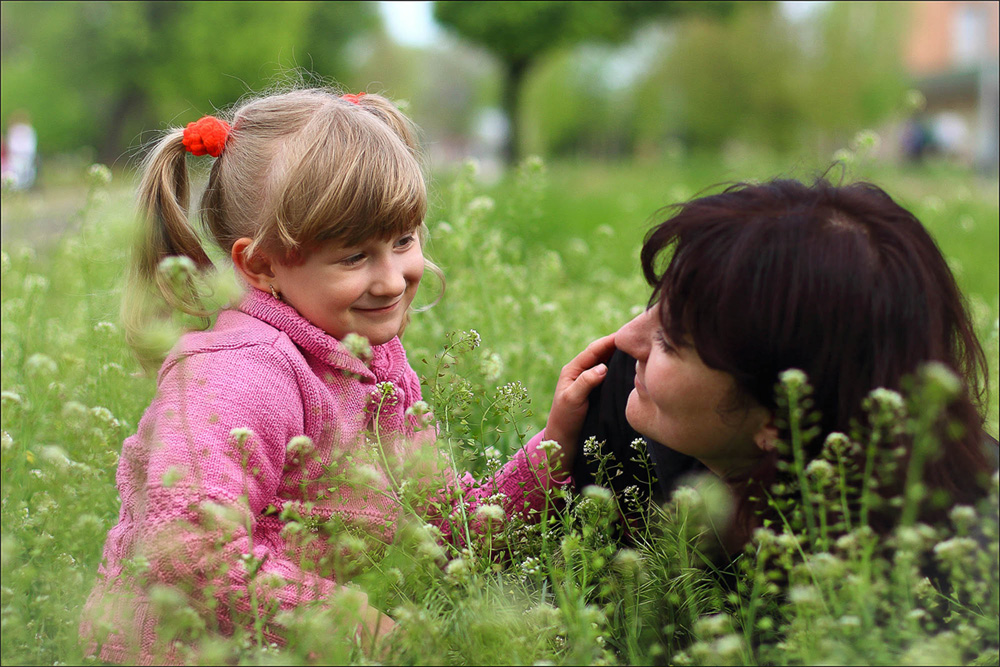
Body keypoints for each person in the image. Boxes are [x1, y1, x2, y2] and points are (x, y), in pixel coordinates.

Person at [80, 87, 611, 664]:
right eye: (353, 256)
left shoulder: (374, 364)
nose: (391, 279)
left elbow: (443, 532)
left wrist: (554, 448)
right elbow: (185, 550)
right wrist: (350, 620)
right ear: (260, 266)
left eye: (403, 240)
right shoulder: (240, 373)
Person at [570, 177, 998, 551]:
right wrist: (548, 463)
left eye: (668, 340)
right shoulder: (637, 397)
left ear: (784, 415)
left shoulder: (945, 574)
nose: (627, 338)